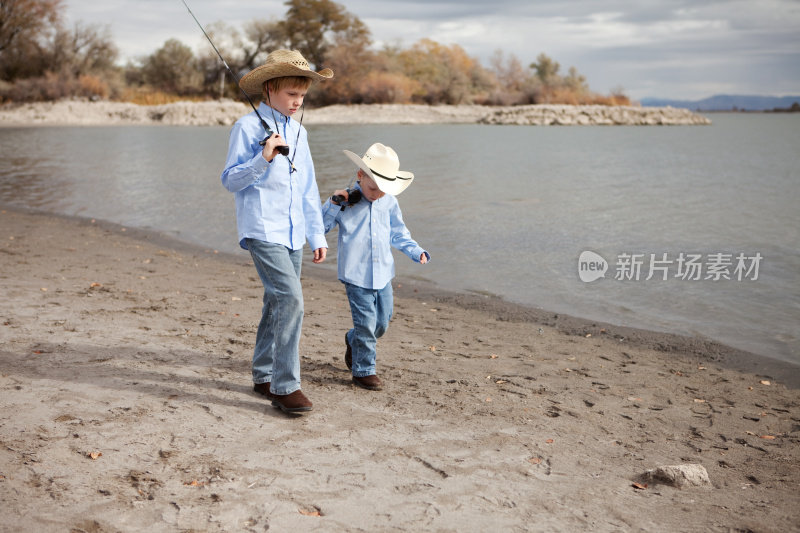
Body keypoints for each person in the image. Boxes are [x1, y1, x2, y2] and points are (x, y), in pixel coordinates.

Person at [221, 49, 333, 414]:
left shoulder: (300, 132)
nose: (297, 101)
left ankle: (262, 374)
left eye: (302, 95)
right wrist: (263, 158)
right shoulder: (246, 127)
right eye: (290, 94)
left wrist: (316, 235)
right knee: (291, 300)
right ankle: (285, 387)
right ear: (269, 89)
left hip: (293, 233)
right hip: (261, 228)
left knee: (276, 301)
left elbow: (308, 188)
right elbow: (229, 181)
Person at [321, 143, 430, 391]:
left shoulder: (388, 202)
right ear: (361, 176)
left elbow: (398, 233)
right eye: (373, 188)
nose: (378, 194)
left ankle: (353, 339)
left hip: (383, 275)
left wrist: (416, 251)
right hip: (355, 275)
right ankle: (363, 371)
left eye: (383, 190)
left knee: (381, 322)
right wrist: (333, 203)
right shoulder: (345, 203)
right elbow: (320, 227)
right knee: (366, 324)